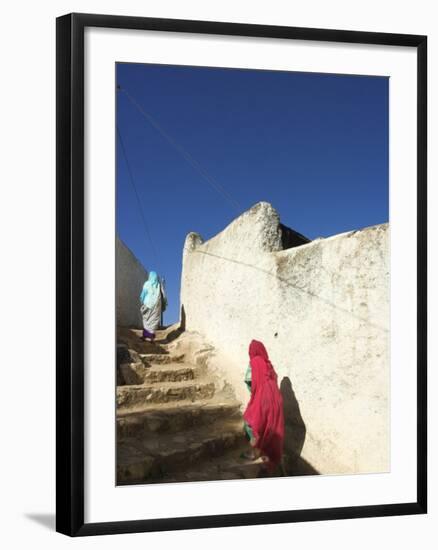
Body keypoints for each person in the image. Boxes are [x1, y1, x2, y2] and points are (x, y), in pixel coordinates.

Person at [243, 340, 285, 473]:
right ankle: (270, 457)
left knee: (252, 423)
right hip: (277, 400)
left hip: (263, 400)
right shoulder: (269, 364)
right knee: (272, 428)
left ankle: (255, 452)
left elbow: (249, 381)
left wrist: (253, 397)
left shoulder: (254, 362)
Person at [139, 271, 167, 341]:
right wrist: (164, 303)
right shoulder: (159, 285)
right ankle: (150, 337)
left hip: (147, 305)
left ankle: (146, 336)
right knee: (153, 321)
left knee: (146, 320)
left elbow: (143, 294)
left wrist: (141, 300)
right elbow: (164, 296)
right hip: (157, 306)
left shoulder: (147, 284)